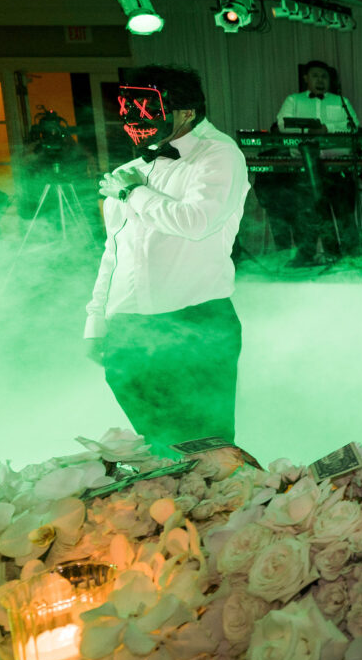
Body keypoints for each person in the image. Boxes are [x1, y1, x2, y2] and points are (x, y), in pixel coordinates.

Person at [86, 66, 248, 451]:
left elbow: (197, 222)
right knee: (157, 449)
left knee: (208, 449)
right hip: (129, 325)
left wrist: (133, 195)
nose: (134, 121)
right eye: (128, 110)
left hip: (196, 320)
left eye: (147, 111)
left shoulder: (220, 155)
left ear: (186, 112)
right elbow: (113, 251)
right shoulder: (129, 171)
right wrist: (96, 319)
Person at [272, 60, 361, 266]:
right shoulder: (293, 100)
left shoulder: (341, 101)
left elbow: (353, 127)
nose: (320, 80)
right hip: (305, 166)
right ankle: (306, 254)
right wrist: (312, 129)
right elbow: (283, 124)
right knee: (308, 212)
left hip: (338, 166)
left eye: (324, 76)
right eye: (315, 75)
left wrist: (326, 128)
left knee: (343, 212)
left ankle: (351, 255)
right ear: (306, 78)